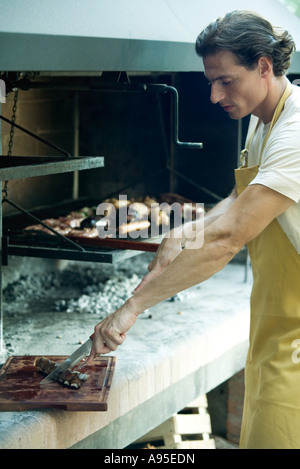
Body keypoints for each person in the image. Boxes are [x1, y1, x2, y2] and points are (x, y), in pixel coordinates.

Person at [88, 10, 300, 449]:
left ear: (263, 66)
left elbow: (229, 238)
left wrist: (131, 308)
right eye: (210, 82)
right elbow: (239, 198)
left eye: (225, 80)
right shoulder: (266, 121)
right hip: (275, 323)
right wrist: (188, 229)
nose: (212, 95)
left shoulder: (294, 133)